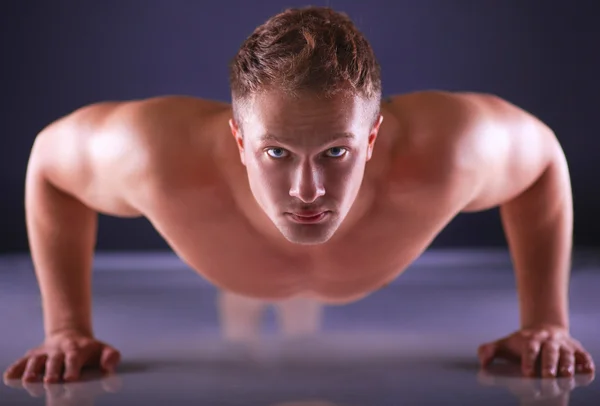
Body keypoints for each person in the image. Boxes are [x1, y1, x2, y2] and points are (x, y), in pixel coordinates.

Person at [2, 6, 595, 384]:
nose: (306, 190)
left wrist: (545, 320)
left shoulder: (448, 153)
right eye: (276, 152)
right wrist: (66, 328)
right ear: (239, 139)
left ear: (372, 136)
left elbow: (542, 159)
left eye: (335, 153)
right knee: (249, 311)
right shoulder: (157, 159)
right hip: (229, 242)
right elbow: (49, 165)